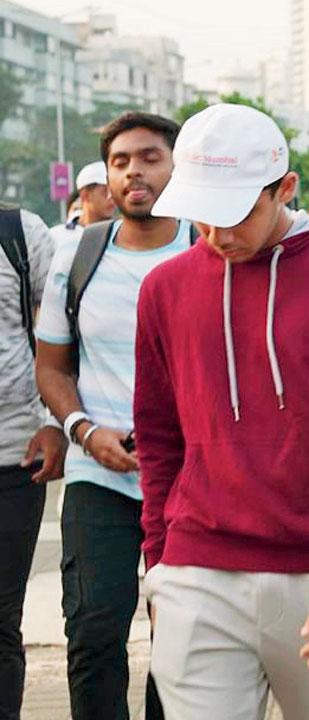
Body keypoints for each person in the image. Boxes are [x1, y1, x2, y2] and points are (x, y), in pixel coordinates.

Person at [133, 103, 309, 719]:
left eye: (235, 213)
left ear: (284, 189)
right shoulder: (163, 290)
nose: (217, 233)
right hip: (195, 573)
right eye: (201, 212)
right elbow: (157, 438)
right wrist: (160, 566)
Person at [35, 111, 183, 720]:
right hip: (99, 476)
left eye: (149, 158)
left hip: (190, 482)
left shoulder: (211, 249)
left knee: (180, 643)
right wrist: (84, 431)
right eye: (120, 162)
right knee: (93, 636)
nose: (134, 173)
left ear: (177, 167)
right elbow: (52, 366)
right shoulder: (77, 256)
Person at [0, 204, 65, 720]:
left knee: (1, 619)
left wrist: (54, 420)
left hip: (13, 456)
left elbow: (67, 329)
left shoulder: (20, 233)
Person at [47, 162, 115, 249]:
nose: (111, 196)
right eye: (105, 191)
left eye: (113, 191)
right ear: (85, 195)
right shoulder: (57, 237)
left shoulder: (120, 237)